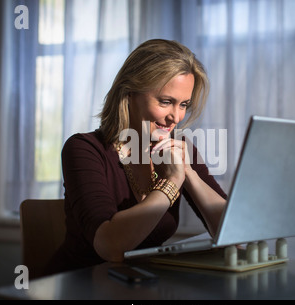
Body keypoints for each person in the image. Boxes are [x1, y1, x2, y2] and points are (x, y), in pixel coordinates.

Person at [44, 39, 227, 276]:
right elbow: (110, 246)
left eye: (183, 105)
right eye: (165, 102)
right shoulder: (84, 149)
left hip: (143, 285)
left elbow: (233, 234)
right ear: (129, 92)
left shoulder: (179, 150)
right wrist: (171, 182)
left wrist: (189, 174)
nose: (176, 117)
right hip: (83, 284)